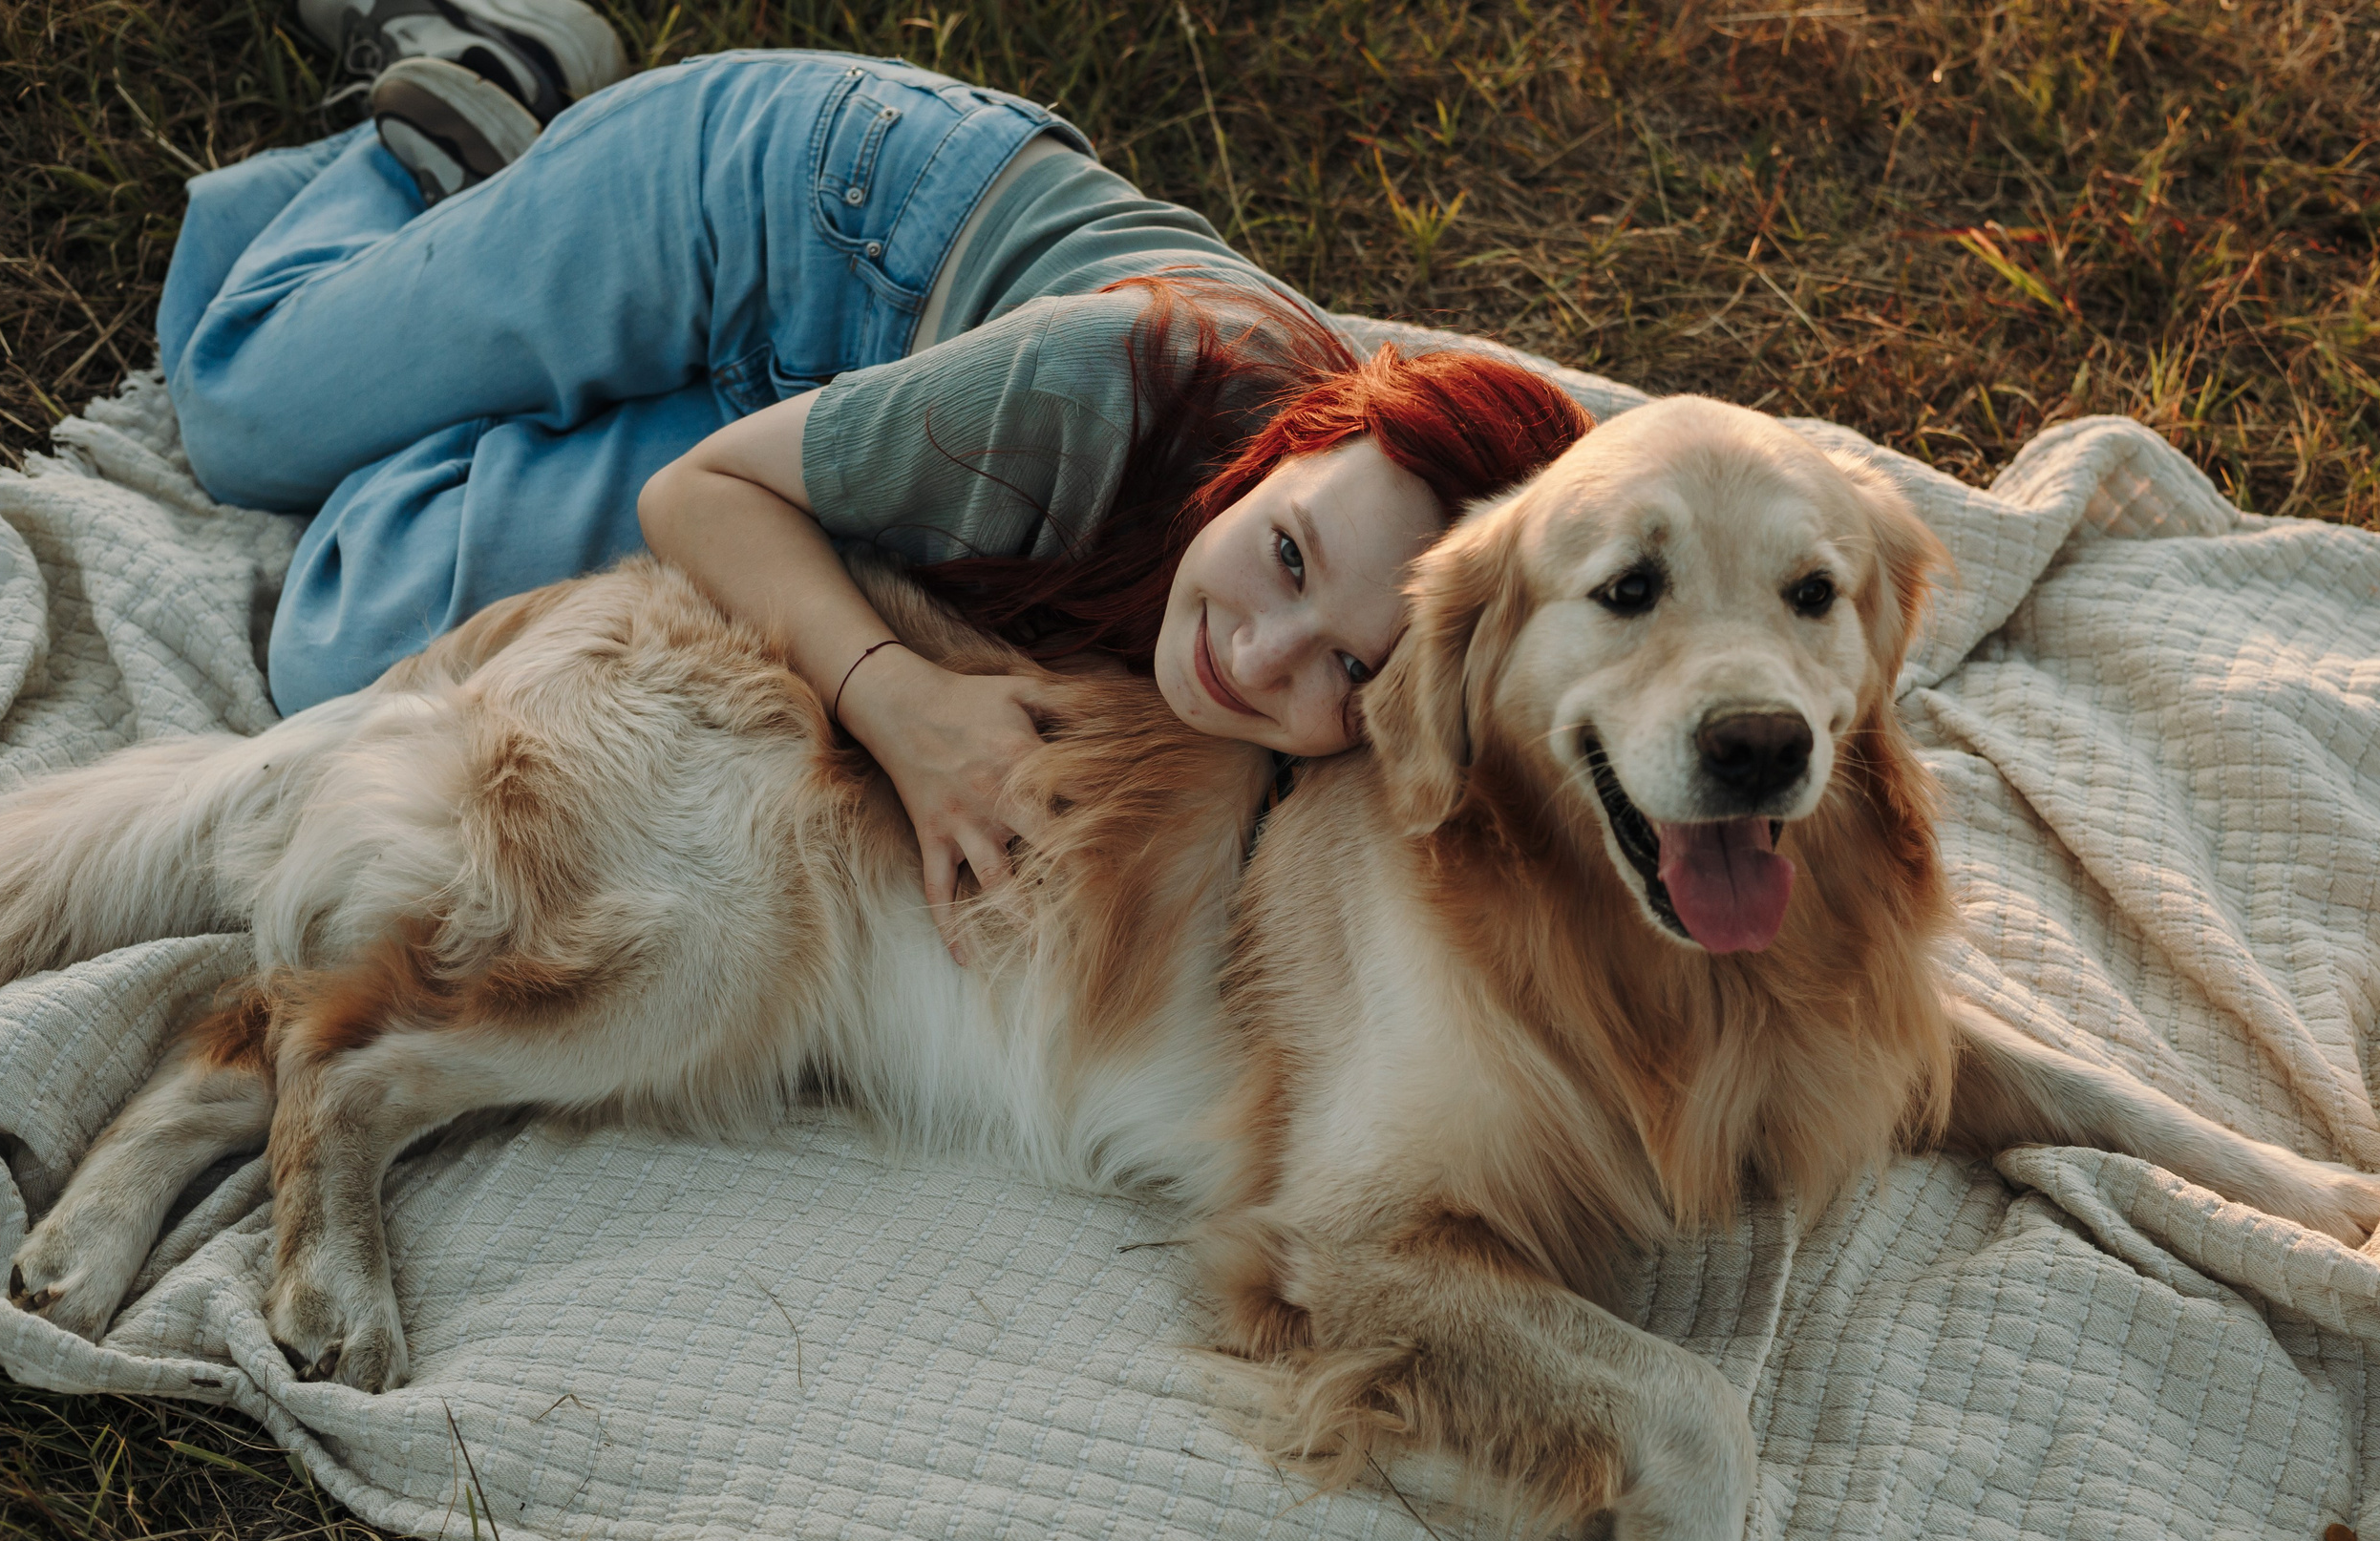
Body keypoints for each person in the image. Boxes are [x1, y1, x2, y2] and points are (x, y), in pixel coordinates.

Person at [157, 0, 1594, 931]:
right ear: (1303, 443)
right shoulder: (1107, 391)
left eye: (1349, 671)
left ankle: (463, 368)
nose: (1259, 654)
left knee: (348, 637)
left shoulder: (1383, 657)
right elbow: (695, 498)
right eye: (1286, 554)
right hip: (779, 217)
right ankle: (474, 99)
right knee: (244, 413)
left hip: (854, 426)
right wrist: (892, 696)